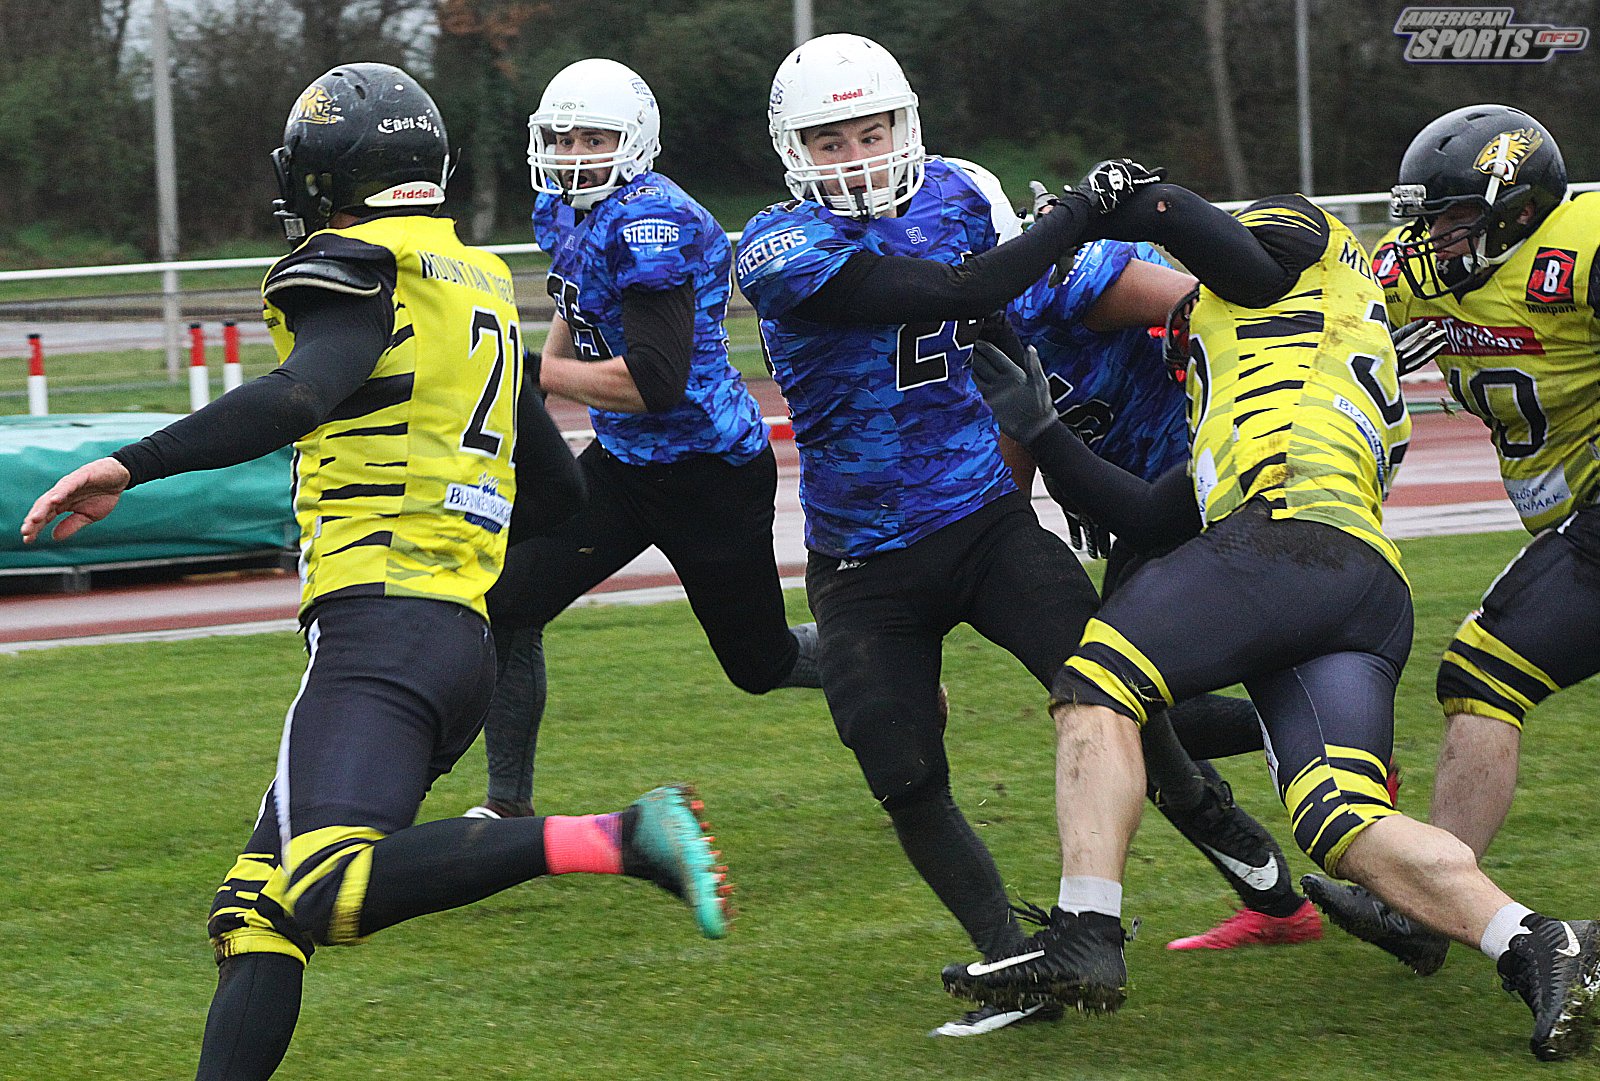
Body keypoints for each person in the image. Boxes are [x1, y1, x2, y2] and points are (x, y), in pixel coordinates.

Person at [19, 64, 729, 1081]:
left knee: (322, 885)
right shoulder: (475, 279)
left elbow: (299, 395)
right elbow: (557, 494)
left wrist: (132, 463)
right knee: (256, 910)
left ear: (321, 176)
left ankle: (616, 837)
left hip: (380, 628)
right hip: (458, 642)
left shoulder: (356, 263)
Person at [942, 171, 1600, 1061]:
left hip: (1287, 540)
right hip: (1355, 583)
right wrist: (1045, 429)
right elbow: (1148, 517)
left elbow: (1194, 226)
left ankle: (1084, 931)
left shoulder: (1297, 254)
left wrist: (1090, 207)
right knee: (1342, 817)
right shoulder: (1279, 379)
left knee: (1095, 684)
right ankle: (1538, 941)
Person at [467, 57, 821, 822]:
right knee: (507, 601)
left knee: (760, 663)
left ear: (634, 142)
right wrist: (541, 381)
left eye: (593, 139)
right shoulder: (566, 209)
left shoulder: (649, 223)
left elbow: (654, 382)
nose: (574, 155)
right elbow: (576, 301)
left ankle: (883, 659)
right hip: (625, 467)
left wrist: (531, 372)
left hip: (707, 473)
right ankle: (506, 808)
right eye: (563, 139)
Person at [1302, 105, 1600, 980]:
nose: (1436, 238)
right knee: (1480, 677)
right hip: (1572, 514)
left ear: (1519, 207)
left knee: (1483, 671)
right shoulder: (1430, 273)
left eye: (1457, 217)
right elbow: (1332, 302)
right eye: (1430, 218)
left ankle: (1425, 904)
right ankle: (1428, 903)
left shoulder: (1580, 247)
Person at [1003, 230, 1325, 951]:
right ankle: (1276, 899)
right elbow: (1013, 465)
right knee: (1135, 719)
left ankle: (1321, 746)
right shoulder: (977, 328)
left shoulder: (1060, 280)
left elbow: (1217, 307)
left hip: (1208, 485)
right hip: (1148, 508)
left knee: (1126, 706)